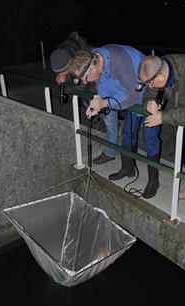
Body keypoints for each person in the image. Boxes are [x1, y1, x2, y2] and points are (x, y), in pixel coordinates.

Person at [69, 45, 161, 199]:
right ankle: (128, 168)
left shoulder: (119, 61)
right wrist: (99, 100)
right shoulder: (98, 58)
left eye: (86, 79)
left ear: (94, 66)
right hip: (126, 94)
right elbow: (103, 85)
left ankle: (154, 180)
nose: (86, 83)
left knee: (150, 136)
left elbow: (133, 96)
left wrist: (105, 104)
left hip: (148, 93)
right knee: (127, 133)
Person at [50, 31, 121, 164]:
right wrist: (62, 76)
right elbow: (78, 81)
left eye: (64, 72)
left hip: (105, 84)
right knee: (87, 105)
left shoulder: (87, 52)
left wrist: (65, 86)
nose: (62, 74)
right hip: (90, 86)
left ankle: (110, 152)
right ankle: (104, 124)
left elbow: (83, 85)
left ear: (72, 63)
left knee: (110, 119)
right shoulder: (62, 53)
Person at [137, 54, 185, 217]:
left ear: (160, 75)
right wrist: (148, 103)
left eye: (150, 82)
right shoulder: (159, 67)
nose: (149, 86)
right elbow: (148, 94)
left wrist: (163, 116)